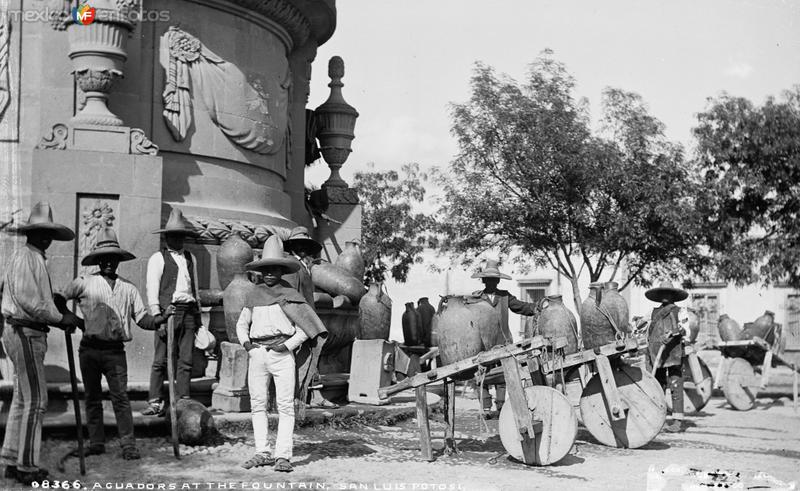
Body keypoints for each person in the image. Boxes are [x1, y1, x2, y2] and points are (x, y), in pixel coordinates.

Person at [61, 227, 174, 460]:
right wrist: (71, 318)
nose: (109, 263)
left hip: (115, 352)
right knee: (92, 397)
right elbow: (59, 298)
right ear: (98, 260)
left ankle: (128, 445)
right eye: (104, 259)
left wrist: (162, 318)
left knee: (120, 398)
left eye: (113, 259)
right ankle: (96, 442)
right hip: (90, 350)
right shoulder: (84, 282)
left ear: (118, 260)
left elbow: (143, 320)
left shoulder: (129, 288)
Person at [0, 202, 80, 485]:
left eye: (49, 232)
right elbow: (30, 302)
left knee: (23, 399)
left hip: (29, 331)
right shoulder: (25, 257)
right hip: (25, 331)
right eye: (41, 231)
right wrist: (60, 319)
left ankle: (11, 458)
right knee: (37, 400)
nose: (45, 237)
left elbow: (41, 299)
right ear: (30, 233)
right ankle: (26, 465)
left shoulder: (35, 258)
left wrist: (62, 311)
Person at [237, 235, 327, 472]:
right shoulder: (252, 295)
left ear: (281, 270)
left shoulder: (291, 295)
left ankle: (283, 456)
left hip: (281, 354)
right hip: (257, 354)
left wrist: (286, 346)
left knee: (285, 406)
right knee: (258, 404)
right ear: (261, 271)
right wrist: (247, 344)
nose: (269, 274)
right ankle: (262, 452)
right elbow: (241, 324)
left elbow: (305, 329)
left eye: (274, 269)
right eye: (265, 269)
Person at [142, 208, 201, 416]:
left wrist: (198, 318)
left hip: (189, 312)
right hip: (169, 312)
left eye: (180, 236)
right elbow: (152, 289)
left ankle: (182, 401)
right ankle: (156, 400)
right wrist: (158, 318)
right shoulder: (157, 258)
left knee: (186, 359)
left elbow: (194, 287)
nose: (177, 240)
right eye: (173, 235)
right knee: (161, 359)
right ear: (166, 237)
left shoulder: (190, 258)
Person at [471, 259, 538, 417]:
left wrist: (536, 307)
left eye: (494, 280)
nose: (491, 283)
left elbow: (521, 306)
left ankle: (500, 408)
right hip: (482, 343)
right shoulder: (476, 298)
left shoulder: (505, 296)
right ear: (483, 280)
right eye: (488, 280)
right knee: (481, 373)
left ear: (498, 281)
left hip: (503, 341)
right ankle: (486, 407)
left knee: (503, 374)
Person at [282, 226, 335, 408]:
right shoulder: (292, 266)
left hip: (307, 317)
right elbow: (291, 296)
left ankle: (314, 395)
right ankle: (298, 397)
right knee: (299, 359)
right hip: (300, 319)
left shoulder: (303, 266)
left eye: (306, 246)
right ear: (295, 247)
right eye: (300, 245)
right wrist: (297, 321)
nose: (305, 250)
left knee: (311, 356)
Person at [646, 281, 689, 433]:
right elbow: (646, 329)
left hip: (673, 353)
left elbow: (685, 330)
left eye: (668, 293)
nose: (665, 296)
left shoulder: (680, 311)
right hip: (656, 353)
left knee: (675, 385)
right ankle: (658, 418)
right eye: (662, 293)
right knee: (658, 386)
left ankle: (677, 421)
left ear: (673, 295)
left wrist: (675, 333)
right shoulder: (653, 313)